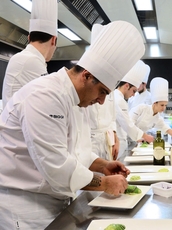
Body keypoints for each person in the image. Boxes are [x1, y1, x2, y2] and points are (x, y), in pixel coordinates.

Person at [0, 21, 145, 229]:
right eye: (102, 91)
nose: (102, 101)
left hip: (56, 201)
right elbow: (56, 166)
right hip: (26, 208)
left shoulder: (77, 101)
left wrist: (104, 165)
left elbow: (77, 153)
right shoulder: (45, 96)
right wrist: (103, 183)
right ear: (86, 76)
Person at [2, 0, 58, 108]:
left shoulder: (29, 58)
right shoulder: (30, 60)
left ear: (28, 38)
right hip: (19, 125)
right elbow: (49, 102)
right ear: (53, 40)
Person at [129, 77, 172, 142]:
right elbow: (129, 124)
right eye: (162, 105)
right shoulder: (141, 108)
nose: (164, 108)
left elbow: (170, 131)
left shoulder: (158, 118)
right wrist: (145, 136)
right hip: (128, 139)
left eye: (165, 105)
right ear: (155, 103)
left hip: (138, 141)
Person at [87, 24, 119, 161]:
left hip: (106, 141)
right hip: (89, 142)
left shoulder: (110, 87)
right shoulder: (85, 85)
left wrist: (115, 138)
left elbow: (112, 118)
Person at [114, 60, 155, 162]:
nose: (133, 95)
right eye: (133, 91)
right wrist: (145, 136)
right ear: (127, 86)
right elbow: (128, 124)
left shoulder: (118, 97)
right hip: (118, 143)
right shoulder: (119, 100)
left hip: (123, 140)